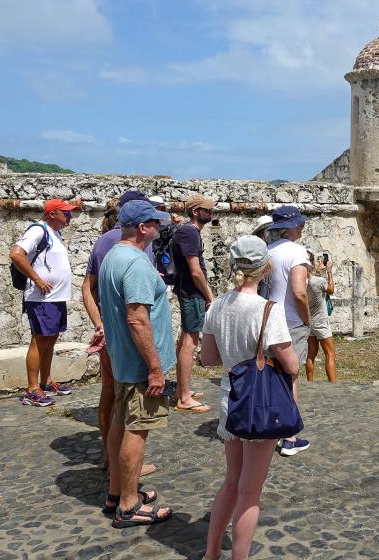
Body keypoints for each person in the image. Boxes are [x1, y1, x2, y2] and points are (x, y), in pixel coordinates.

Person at [200, 235, 300, 560]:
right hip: (259, 406)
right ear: (265, 268)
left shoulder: (216, 306)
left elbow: (209, 358)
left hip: (230, 401)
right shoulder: (267, 310)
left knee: (231, 481)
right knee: (250, 492)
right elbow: (291, 364)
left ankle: (211, 552)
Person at [99, 200, 176, 527]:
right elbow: (137, 319)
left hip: (123, 361)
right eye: (156, 224)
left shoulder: (113, 257)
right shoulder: (136, 264)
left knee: (120, 424)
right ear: (143, 227)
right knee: (137, 429)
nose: (160, 229)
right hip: (139, 365)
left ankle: (117, 493)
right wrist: (155, 369)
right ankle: (129, 506)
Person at [81, 190, 158, 477]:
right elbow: (137, 307)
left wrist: (99, 323)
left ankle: (110, 460)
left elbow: (86, 288)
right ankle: (127, 473)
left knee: (109, 394)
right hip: (129, 336)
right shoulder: (134, 248)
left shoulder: (104, 243)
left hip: (110, 328)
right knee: (133, 410)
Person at [9, 199, 77, 407]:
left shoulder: (54, 234)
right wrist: (37, 279)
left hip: (55, 296)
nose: (69, 217)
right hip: (41, 297)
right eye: (65, 213)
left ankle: (46, 381)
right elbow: (16, 254)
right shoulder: (38, 231)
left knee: (51, 338)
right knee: (39, 340)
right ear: (52, 213)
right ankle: (32, 389)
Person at [266, 205, 311, 456]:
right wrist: (307, 319)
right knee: (291, 376)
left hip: (267, 319)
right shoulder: (297, 252)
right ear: (294, 227)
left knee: (272, 376)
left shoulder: (266, 251)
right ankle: (290, 436)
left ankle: (271, 428)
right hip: (290, 321)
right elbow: (299, 291)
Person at [171, 193, 217, 413]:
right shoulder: (189, 233)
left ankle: (183, 391)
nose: (212, 213)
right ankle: (184, 397)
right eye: (208, 210)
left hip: (188, 291)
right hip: (192, 293)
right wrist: (209, 296)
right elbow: (196, 271)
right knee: (190, 343)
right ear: (196, 212)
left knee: (185, 341)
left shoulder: (188, 232)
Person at [305, 251, 336, 382]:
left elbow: (312, 281)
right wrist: (329, 271)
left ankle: (310, 382)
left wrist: (317, 272)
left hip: (308, 321)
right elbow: (330, 290)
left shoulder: (300, 281)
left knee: (311, 354)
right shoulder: (319, 281)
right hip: (321, 321)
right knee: (330, 354)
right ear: (312, 263)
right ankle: (334, 385)